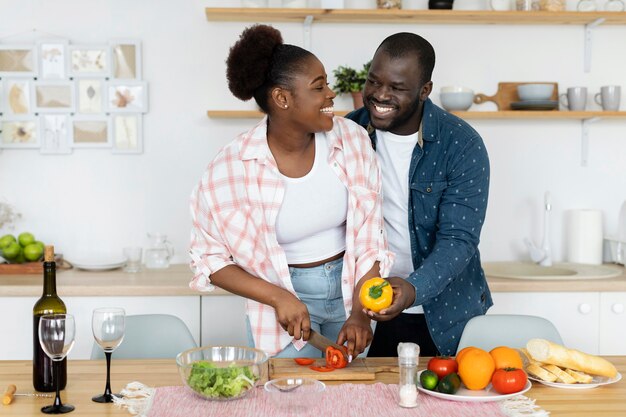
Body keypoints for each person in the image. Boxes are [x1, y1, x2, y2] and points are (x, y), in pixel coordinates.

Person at [189, 25, 393, 359]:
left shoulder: (352, 141)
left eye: (326, 83)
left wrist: (361, 312)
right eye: (319, 86)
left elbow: (371, 236)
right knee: (287, 403)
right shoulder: (230, 168)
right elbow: (209, 259)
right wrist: (278, 297)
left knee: (350, 403)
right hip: (283, 308)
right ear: (282, 98)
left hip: (351, 293)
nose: (331, 94)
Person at [346, 32, 492, 357]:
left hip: (448, 311)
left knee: (453, 403)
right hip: (369, 308)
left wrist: (413, 289)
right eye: (374, 82)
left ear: (425, 90)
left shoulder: (462, 145)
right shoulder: (349, 135)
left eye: (397, 88)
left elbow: (459, 239)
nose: (380, 96)